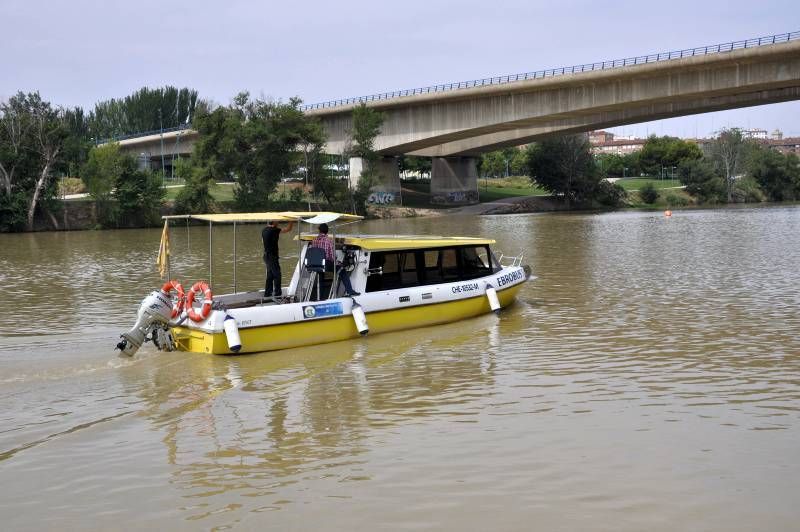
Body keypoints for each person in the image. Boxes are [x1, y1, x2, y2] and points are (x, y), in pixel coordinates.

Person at [310, 223, 359, 296]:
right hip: (326, 264)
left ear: (319, 230)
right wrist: (339, 263)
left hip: (316, 264)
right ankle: (350, 291)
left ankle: (320, 295)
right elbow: (332, 257)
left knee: (320, 274)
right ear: (327, 231)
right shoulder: (329, 241)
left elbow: (314, 253)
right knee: (342, 270)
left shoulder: (314, 241)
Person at [262, 219, 294, 298]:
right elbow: (288, 229)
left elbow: (262, 242)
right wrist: (291, 221)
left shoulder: (264, 230)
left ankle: (267, 293)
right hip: (272, 256)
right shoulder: (274, 230)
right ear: (274, 222)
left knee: (270, 275)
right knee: (277, 275)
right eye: (277, 221)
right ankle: (278, 294)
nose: (278, 222)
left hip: (266, 256)